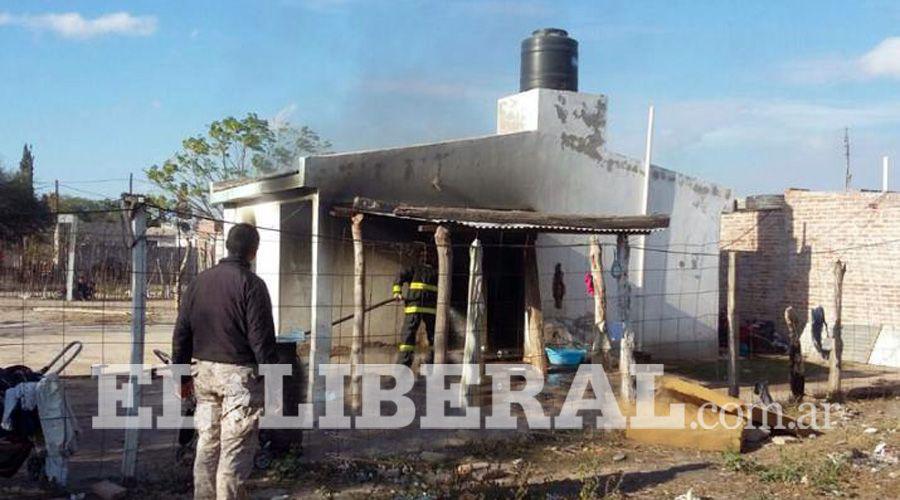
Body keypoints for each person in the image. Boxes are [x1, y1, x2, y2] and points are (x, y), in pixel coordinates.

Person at [171, 223, 277, 500]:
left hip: (203, 374)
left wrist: (182, 378)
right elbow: (261, 339)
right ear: (253, 252)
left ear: (227, 246)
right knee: (234, 449)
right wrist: (273, 380)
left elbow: (181, 333)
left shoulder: (198, 282)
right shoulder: (252, 285)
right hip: (238, 378)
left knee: (207, 443)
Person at [393, 246, 438, 366]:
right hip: (415, 307)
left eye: (428, 255)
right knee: (408, 338)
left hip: (429, 310)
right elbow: (400, 276)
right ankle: (403, 367)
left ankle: (432, 364)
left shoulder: (437, 273)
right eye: (423, 255)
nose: (426, 257)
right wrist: (397, 292)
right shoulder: (415, 269)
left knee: (434, 338)